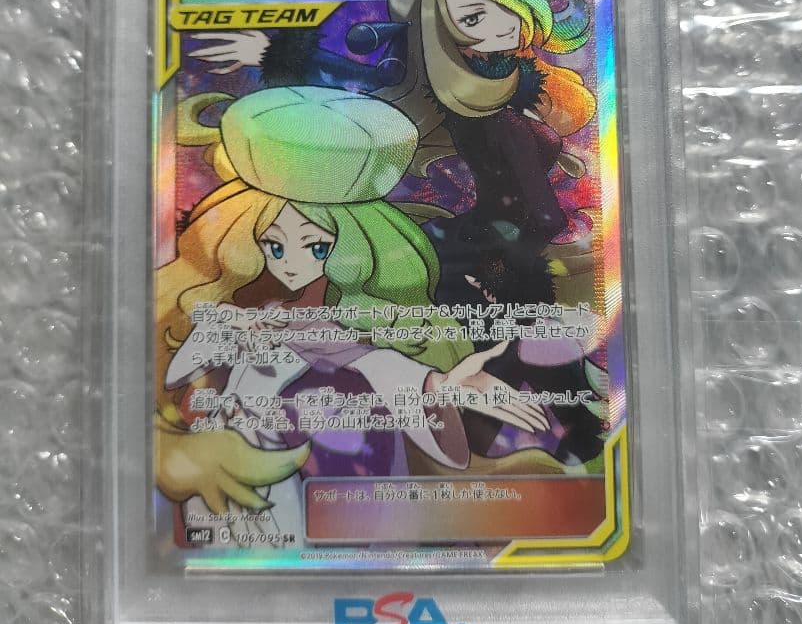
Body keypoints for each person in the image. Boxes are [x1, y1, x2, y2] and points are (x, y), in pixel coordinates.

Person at [188, 0, 603, 463]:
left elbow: (539, 194)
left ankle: (547, 437)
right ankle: (505, 441)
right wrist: (279, 55)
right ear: (437, 27)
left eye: (507, 6)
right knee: (500, 350)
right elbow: (367, 82)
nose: (500, 27)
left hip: (502, 250)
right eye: (473, 18)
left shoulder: (513, 78)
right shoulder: (451, 93)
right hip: (482, 253)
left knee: (519, 347)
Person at [156, 85, 550, 542]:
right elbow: (178, 371)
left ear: (355, 249)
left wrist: (442, 385)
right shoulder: (239, 316)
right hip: (225, 484)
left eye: (316, 247)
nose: (290, 262)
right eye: (274, 246)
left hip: (313, 488)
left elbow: (377, 363)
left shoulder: (344, 327)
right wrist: (232, 325)